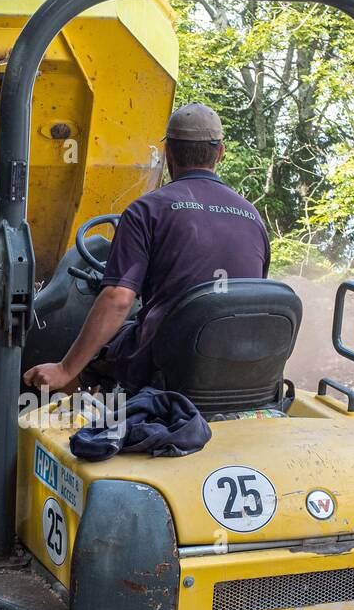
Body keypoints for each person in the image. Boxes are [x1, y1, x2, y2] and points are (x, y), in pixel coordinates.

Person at [23, 102, 271, 394]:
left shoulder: (147, 210)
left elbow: (118, 298)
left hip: (169, 363)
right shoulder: (252, 216)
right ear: (220, 153)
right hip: (241, 364)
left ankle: (72, 430)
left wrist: (65, 369)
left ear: (168, 154)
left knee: (87, 369)